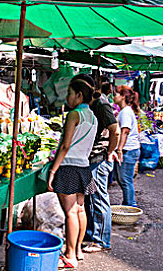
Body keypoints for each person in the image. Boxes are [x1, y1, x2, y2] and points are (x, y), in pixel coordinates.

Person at [48, 78, 98, 269]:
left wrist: (53, 171)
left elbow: (65, 145)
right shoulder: (92, 116)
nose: (67, 98)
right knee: (79, 210)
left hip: (68, 168)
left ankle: (70, 256)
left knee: (70, 212)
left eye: (69, 93)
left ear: (78, 95)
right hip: (84, 168)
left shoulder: (74, 115)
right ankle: (77, 250)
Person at [71, 75, 120, 254]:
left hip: (100, 158)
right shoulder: (93, 104)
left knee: (99, 199)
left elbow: (116, 131)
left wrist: (110, 151)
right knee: (91, 199)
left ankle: (101, 240)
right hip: (92, 158)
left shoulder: (101, 104)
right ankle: (92, 236)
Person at [113, 85, 141, 207]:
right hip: (129, 149)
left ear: (123, 96)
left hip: (128, 150)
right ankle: (127, 204)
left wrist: (119, 149)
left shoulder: (125, 112)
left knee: (125, 180)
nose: (113, 97)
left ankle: (130, 206)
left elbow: (125, 131)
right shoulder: (124, 111)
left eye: (116, 94)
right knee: (123, 180)